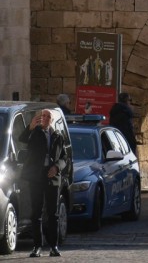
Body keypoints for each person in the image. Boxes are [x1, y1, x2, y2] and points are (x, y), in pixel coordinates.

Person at [20, 109, 68, 257]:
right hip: (36, 176)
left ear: (52, 120)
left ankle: (53, 245)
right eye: (43, 116)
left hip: (52, 177)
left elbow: (64, 158)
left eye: (48, 116)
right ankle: (37, 246)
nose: (45, 118)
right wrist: (30, 127)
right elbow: (22, 139)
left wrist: (56, 167)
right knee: (36, 212)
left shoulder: (58, 136)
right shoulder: (34, 132)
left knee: (53, 213)